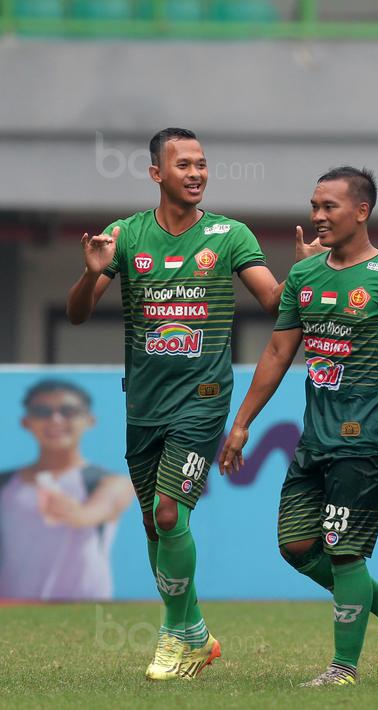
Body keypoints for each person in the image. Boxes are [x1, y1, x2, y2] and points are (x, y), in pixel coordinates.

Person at [65, 127, 292, 681]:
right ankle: (194, 633)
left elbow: (274, 301)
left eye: (202, 163)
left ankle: (173, 635)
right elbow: (76, 313)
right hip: (143, 404)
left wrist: (307, 275)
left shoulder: (229, 234)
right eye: (184, 164)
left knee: (170, 513)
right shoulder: (126, 236)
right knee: (150, 522)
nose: (196, 173)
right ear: (156, 174)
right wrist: (91, 273)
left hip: (204, 400)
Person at [218, 167, 378, 687]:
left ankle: (342, 668)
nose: (317, 216)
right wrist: (241, 424)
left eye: (329, 206)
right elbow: (276, 352)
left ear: (362, 211)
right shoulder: (305, 278)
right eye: (314, 205)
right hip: (314, 439)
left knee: (345, 548)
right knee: (296, 546)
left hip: (367, 439)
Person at [0, 380, 132, 601]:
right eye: (42, 411)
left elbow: (99, 508)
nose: (55, 420)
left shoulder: (112, 482)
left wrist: (77, 514)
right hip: (13, 614)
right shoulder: (5, 485)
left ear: (89, 420)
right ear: (26, 421)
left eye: (68, 411)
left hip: (87, 613)